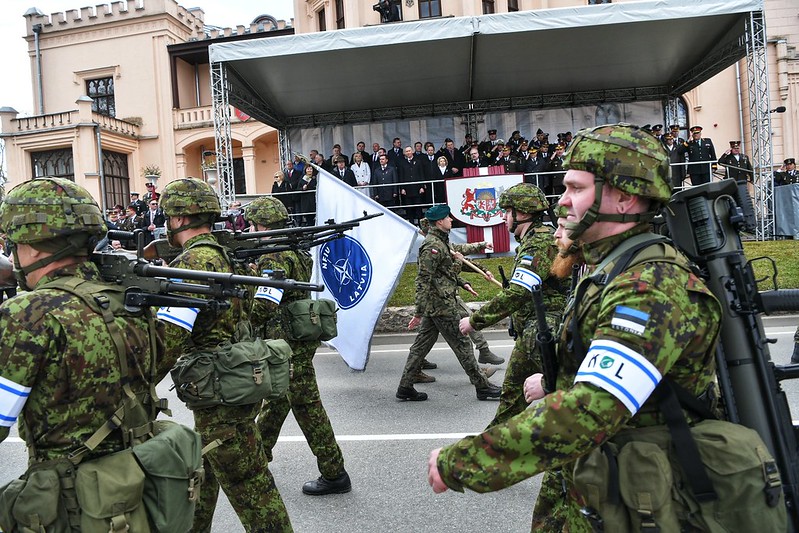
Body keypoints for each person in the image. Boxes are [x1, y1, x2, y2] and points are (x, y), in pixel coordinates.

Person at [428, 124, 723, 530]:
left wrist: (461, 462)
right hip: (599, 477)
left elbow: (593, 408)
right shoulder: (613, 267)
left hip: (637, 498)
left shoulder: (648, 285)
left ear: (623, 196)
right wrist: (555, 386)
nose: (563, 201)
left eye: (576, 188)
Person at [0, 177, 168, 529]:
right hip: (138, 492)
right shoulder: (132, 299)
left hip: (72, 508)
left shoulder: (28, 314)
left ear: (33, 245)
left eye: (12, 243)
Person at [157, 178, 291, 531]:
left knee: (253, 490)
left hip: (219, 396)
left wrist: (133, 383)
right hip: (235, 381)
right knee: (202, 476)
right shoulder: (224, 255)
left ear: (178, 219)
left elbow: (169, 340)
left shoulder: (193, 263)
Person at [246, 197, 352, 497]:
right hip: (296, 339)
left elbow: (265, 303)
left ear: (263, 225)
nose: (253, 229)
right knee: (278, 403)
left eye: (255, 225)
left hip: (284, 343)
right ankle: (256, 462)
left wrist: (247, 321)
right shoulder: (294, 248)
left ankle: (334, 472)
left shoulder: (273, 256)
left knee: (306, 408)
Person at [459, 183, 566, 428]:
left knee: (511, 403)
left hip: (540, 330)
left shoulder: (538, 243)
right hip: (539, 328)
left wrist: (475, 321)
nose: (504, 217)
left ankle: (485, 457)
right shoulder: (534, 241)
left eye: (508, 211)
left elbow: (518, 293)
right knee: (556, 401)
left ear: (524, 213)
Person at [396, 204, 502, 402]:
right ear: (439, 222)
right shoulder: (432, 246)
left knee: (420, 347)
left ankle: (405, 386)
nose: (451, 220)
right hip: (441, 306)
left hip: (435, 305)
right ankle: (482, 386)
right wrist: (418, 312)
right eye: (448, 218)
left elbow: (452, 261)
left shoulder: (441, 241)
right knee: (462, 344)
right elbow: (423, 280)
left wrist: (478, 247)